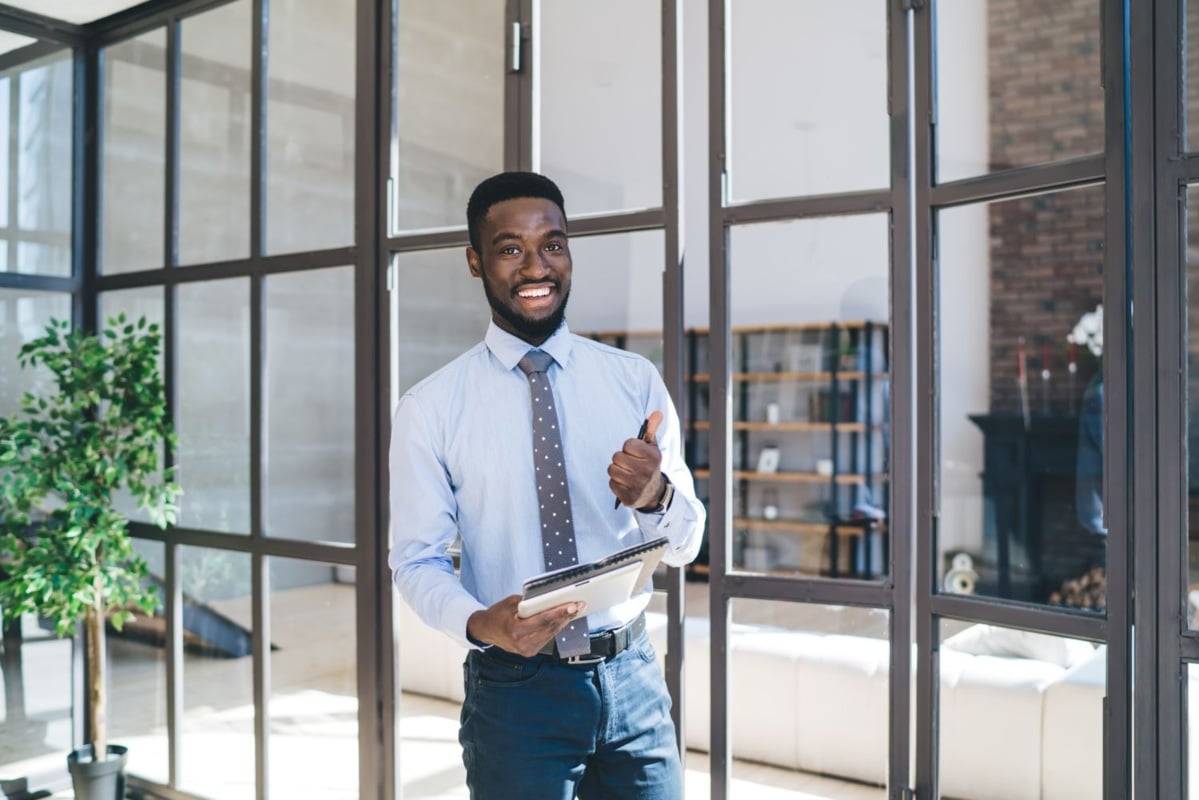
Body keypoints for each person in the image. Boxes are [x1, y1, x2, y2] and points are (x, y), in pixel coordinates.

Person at [388, 171, 706, 799]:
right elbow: (416, 560)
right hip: (516, 695)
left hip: (634, 682)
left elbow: (686, 543)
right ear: (476, 262)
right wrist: (482, 623)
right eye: (511, 249)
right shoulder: (431, 408)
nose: (538, 266)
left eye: (553, 245)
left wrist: (657, 498)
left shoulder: (632, 381)